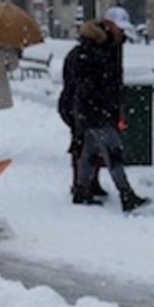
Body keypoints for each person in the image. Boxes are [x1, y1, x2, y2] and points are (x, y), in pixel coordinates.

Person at [71, 18, 151, 212]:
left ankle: (81, 191)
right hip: (98, 111)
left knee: (89, 152)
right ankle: (126, 194)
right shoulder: (98, 54)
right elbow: (102, 82)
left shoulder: (85, 51)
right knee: (113, 153)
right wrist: (107, 107)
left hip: (88, 111)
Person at [58, 38, 107, 198]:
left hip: (73, 105)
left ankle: (85, 182)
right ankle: (83, 184)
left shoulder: (76, 54)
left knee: (82, 144)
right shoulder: (87, 56)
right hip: (80, 107)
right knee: (84, 145)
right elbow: (84, 84)